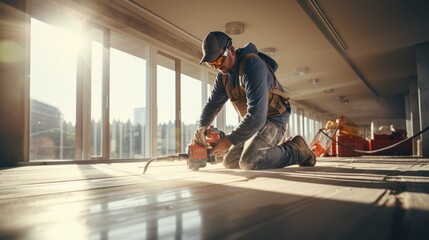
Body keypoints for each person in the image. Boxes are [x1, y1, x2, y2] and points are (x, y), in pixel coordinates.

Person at [192, 31, 316, 170]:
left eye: (219, 60)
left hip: (274, 119)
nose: (217, 67)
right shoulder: (223, 75)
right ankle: (268, 148)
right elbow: (213, 104)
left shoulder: (252, 66)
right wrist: (202, 125)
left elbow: (257, 116)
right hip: (254, 122)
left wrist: (228, 141)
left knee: (249, 161)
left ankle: (297, 149)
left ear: (231, 50)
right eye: (211, 64)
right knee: (230, 162)